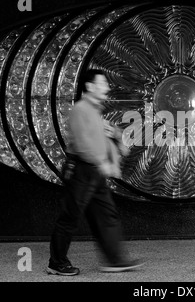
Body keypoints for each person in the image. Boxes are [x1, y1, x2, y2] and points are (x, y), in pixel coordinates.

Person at [46, 69, 143, 276]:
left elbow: (102, 139)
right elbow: (83, 145)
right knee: (70, 217)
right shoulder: (81, 110)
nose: (107, 87)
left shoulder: (94, 111)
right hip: (81, 170)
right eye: (102, 84)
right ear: (90, 87)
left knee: (106, 215)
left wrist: (117, 144)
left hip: (93, 172)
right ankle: (56, 263)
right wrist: (103, 163)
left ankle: (115, 261)